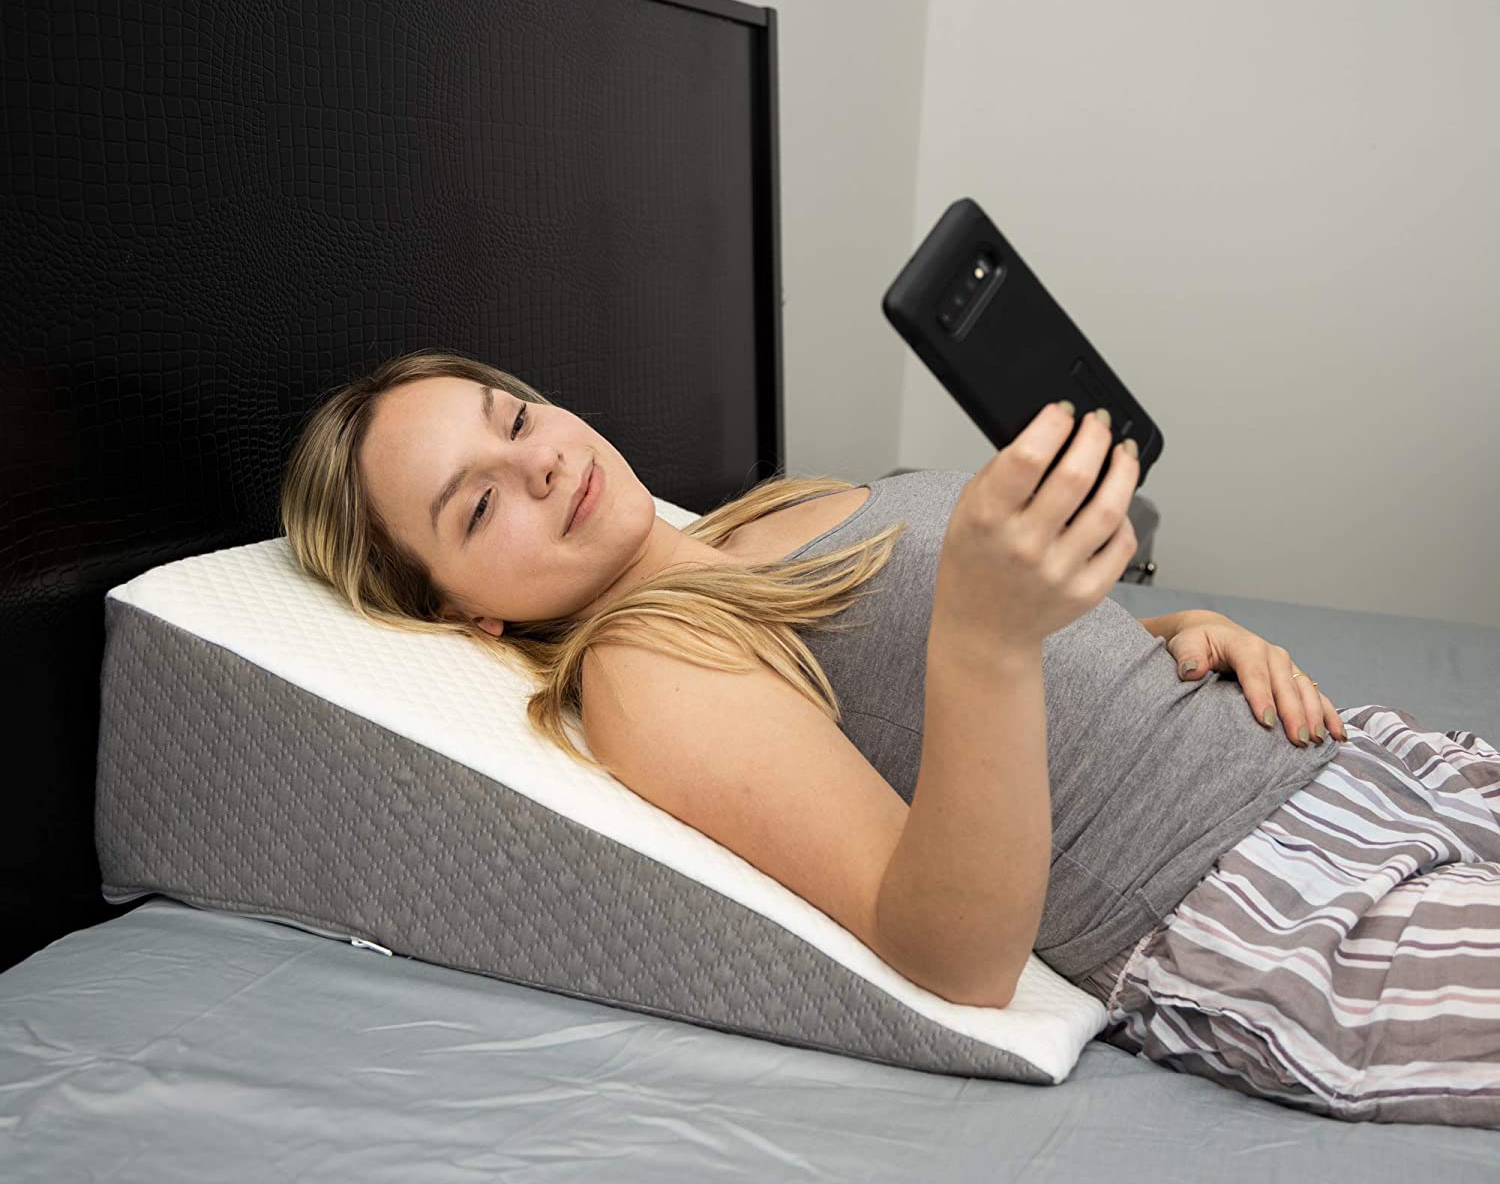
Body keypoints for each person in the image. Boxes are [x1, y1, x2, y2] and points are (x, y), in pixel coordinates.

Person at [280, 347, 1500, 1129]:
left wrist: (1172, 635)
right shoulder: (649, 666)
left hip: (1353, 771)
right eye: (479, 502)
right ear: (465, 612)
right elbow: (952, 950)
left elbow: (988, 686)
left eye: (513, 417)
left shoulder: (765, 514)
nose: (539, 463)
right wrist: (985, 640)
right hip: (1260, 901)